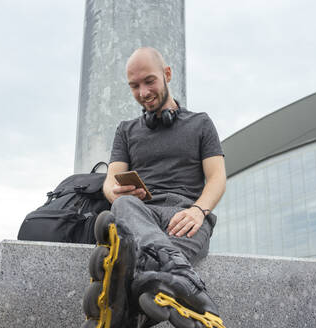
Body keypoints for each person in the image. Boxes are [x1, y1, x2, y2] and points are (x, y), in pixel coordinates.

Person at [81, 47, 226, 328]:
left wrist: (198, 211)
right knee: (122, 205)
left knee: (147, 278)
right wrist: (116, 192)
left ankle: (130, 312)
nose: (143, 92)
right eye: (134, 86)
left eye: (150, 81)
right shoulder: (126, 130)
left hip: (185, 217)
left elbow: (217, 177)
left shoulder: (201, 123)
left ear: (167, 74)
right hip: (141, 215)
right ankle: (185, 283)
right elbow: (111, 182)